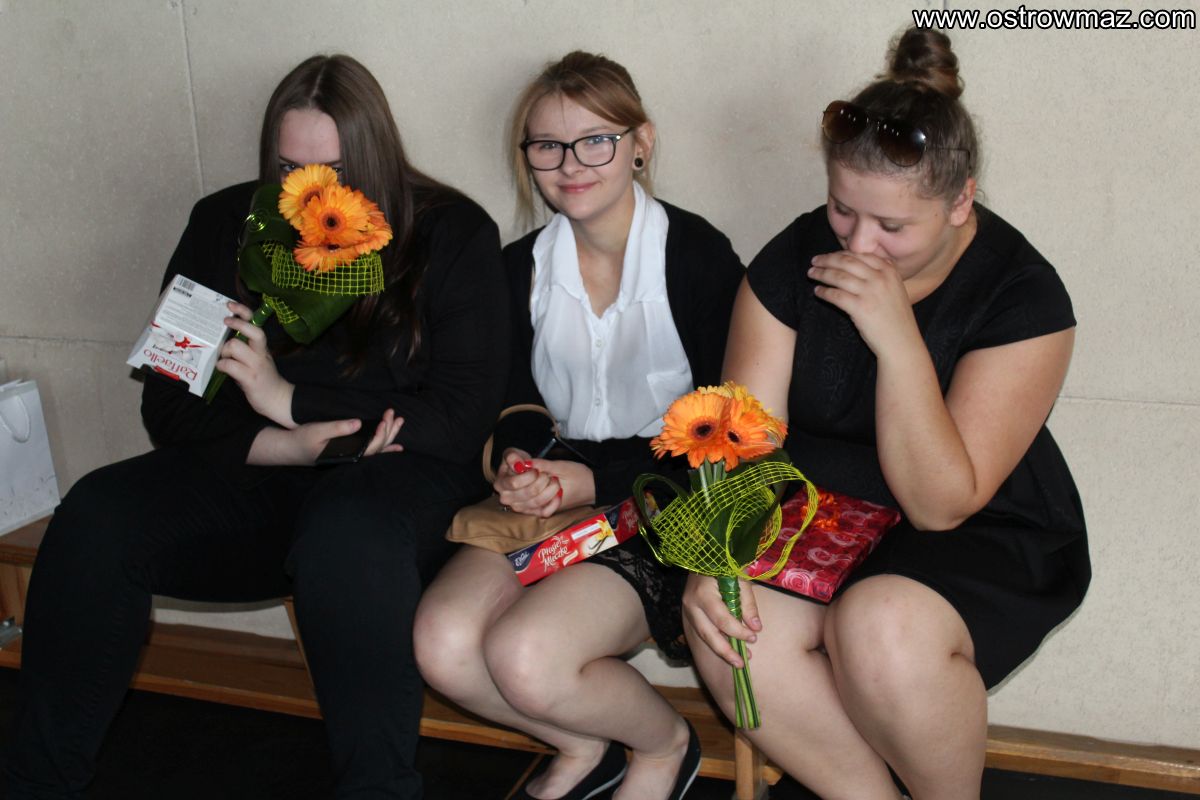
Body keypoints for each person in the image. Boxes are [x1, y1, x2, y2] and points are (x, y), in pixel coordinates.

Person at [2, 54, 508, 799]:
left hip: (398, 487)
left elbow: (461, 417)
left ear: (375, 154)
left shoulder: (450, 232)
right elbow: (168, 405)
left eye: (335, 171)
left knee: (345, 535)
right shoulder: (224, 223)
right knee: (96, 514)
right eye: (289, 169)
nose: (311, 194)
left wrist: (288, 400)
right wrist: (290, 444)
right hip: (265, 472)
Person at [683, 28, 1090, 800]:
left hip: (978, 523)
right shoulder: (794, 258)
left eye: (892, 228)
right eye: (843, 210)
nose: (860, 244)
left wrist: (899, 340)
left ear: (961, 201)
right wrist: (719, 557)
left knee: (880, 630)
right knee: (730, 631)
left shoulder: (1024, 295)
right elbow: (741, 440)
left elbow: (941, 504)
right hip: (824, 505)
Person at [412, 51, 742, 800]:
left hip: (663, 501)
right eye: (547, 146)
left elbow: (732, 433)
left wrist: (596, 480)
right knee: (442, 644)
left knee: (526, 656)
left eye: (595, 141)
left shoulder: (698, 260)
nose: (570, 165)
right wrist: (518, 464)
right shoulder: (517, 268)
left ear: (640, 143)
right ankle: (586, 740)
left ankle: (663, 744)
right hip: (555, 493)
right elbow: (508, 402)